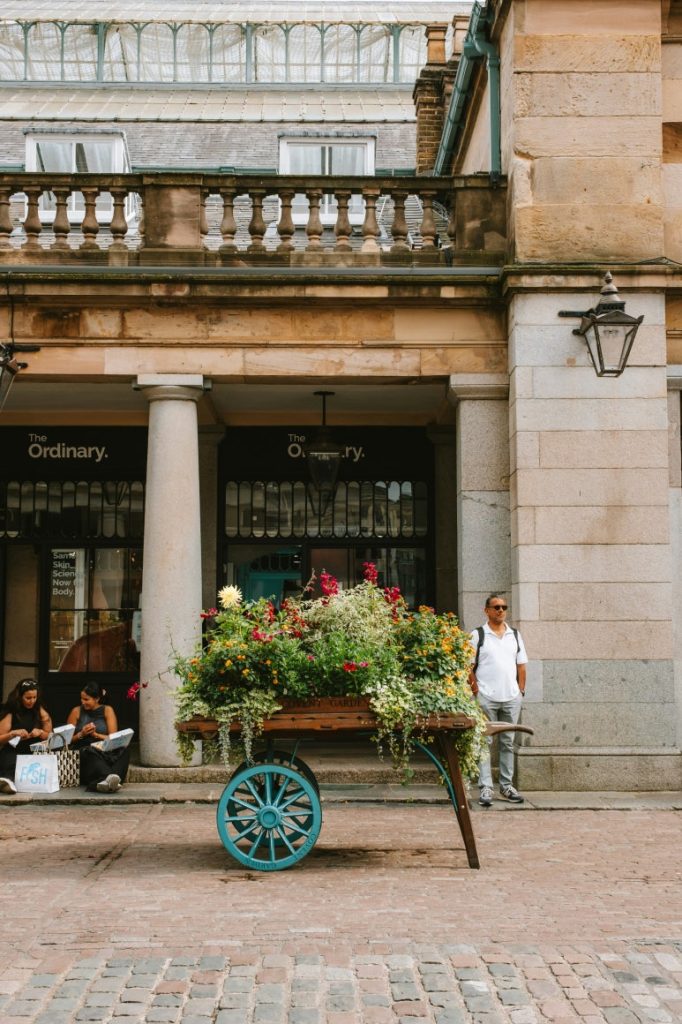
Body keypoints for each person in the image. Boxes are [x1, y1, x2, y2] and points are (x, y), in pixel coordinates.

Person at [469, 594, 528, 807]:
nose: (500, 610)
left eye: (504, 607)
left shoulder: (515, 635)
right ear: (487, 610)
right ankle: (485, 787)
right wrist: (476, 691)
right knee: (484, 742)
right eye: (496, 607)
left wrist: (521, 690)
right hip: (486, 697)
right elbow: (468, 666)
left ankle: (506, 786)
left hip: (511, 697)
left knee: (507, 742)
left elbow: (521, 665)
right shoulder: (478, 635)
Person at [67, 681, 129, 793]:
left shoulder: (107, 710)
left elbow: (113, 737)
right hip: (85, 751)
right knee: (90, 751)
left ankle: (108, 781)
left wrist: (96, 735)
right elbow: (67, 740)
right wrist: (82, 734)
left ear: (97, 699)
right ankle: (108, 780)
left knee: (124, 749)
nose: (83, 702)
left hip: (104, 748)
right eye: (81, 699)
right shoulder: (76, 711)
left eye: (86, 699)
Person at [0, 678, 53, 794]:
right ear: (20, 696)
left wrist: (40, 732)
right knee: (11, 762)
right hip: (14, 750)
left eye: (34, 697)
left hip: (34, 751)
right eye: (28, 698)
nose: (32, 701)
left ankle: (10, 782)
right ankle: (6, 782)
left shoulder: (40, 709)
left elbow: (51, 737)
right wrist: (12, 733)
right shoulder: (11, 712)